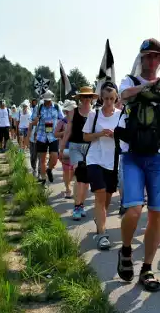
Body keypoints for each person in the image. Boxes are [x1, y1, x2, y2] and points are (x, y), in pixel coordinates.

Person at [115, 38, 160, 292]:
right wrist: (153, 85)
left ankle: (147, 268)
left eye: (157, 56)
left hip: (159, 156)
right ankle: (125, 250)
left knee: (157, 213)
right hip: (132, 154)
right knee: (133, 210)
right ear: (141, 58)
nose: (153, 61)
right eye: (148, 56)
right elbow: (123, 97)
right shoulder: (129, 81)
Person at [84, 82, 121, 250]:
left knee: (106, 198)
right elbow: (85, 137)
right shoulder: (94, 114)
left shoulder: (121, 116)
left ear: (116, 98)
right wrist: (99, 134)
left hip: (112, 161)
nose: (108, 102)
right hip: (95, 158)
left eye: (112, 99)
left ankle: (100, 220)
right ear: (101, 98)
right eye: (106, 98)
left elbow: (126, 139)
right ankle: (102, 235)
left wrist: (116, 136)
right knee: (99, 194)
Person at [61, 86, 98, 220]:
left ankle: (81, 205)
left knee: (86, 181)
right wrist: (61, 147)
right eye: (84, 96)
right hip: (75, 146)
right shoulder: (73, 112)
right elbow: (68, 131)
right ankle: (77, 206)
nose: (86, 99)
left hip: (90, 148)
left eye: (89, 97)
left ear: (91, 98)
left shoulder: (95, 113)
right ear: (80, 98)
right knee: (79, 175)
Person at [32, 90, 64, 184]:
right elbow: (33, 121)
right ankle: (43, 179)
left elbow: (62, 119)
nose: (47, 102)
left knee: (54, 157)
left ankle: (49, 169)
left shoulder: (57, 107)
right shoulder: (39, 107)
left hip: (53, 135)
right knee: (42, 159)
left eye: (49, 100)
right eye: (46, 100)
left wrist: (61, 131)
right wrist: (36, 119)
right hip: (41, 136)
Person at [56, 100, 77, 199]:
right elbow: (55, 134)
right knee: (66, 170)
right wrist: (65, 132)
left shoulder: (79, 121)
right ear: (66, 112)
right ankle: (68, 189)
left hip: (77, 149)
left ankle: (70, 186)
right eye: (70, 110)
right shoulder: (62, 122)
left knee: (74, 170)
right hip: (65, 149)